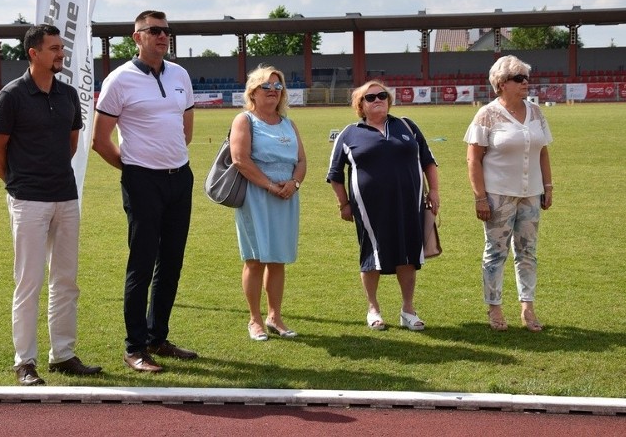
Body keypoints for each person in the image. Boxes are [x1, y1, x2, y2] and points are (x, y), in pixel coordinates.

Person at [0, 24, 102, 386]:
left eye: (61, 48)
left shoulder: (68, 94)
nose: (60, 54)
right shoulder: (11, 96)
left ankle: (63, 354)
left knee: (66, 280)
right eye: (53, 48)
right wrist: (18, 185)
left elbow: (70, 143)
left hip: (66, 198)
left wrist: (51, 178)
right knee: (29, 282)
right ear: (33, 53)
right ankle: (25, 361)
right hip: (28, 201)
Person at [92, 10, 197, 373]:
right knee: (141, 264)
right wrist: (134, 168)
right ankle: (134, 347)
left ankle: (158, 336)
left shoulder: (180, 74)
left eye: (166, 30)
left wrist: (169, 162)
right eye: (153, 31)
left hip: (179, 178)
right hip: (143, 181)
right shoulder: (119, 80)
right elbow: (99, 140)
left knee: (171, 263)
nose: (162, 36)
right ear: (136, 37)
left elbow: (186, 129)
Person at [326, 80, 440, 331]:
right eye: (370, 97)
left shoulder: (407, 126)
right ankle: (373, 309)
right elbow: (334, 175)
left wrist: (435, 192)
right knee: (371, 255)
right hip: (369, 209)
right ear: (360, 105)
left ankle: (408, 310)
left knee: (409, 254)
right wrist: (343, 204)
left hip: (410, 203)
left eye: (382, 95)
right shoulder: (349, 134)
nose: (377, 99)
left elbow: (428, 161)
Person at [464, 55, 553, 332]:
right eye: (519, 78)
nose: (525, 82)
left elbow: (543, 151)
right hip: (498, 195)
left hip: (531, 194)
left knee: (528, 252)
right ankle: (495, 308)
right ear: (501, 83)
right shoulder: (487, 114)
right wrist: (480, 197)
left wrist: (548, 186)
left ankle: (528, 307)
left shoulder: (536, 112)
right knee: (496, 252)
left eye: (526, 77)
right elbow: (473, 159)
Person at [229, 65, 307, 341]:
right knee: (255, 259)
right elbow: (240, 160)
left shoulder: (288, 123)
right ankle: (255, 319)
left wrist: (294, 183)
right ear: (253, 91)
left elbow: (301, 160)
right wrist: (270, 186)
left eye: (278, 87)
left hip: (286, 197)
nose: (274, 92)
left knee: (278, 260)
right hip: (256, 197)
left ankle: (275, 316)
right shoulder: (245, 120)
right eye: (267, 87)